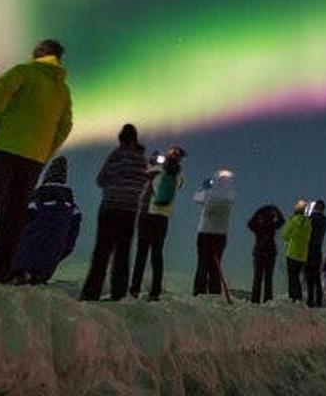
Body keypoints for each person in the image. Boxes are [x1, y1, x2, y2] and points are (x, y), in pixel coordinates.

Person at [0, 39, 73, 284]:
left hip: (4, 149)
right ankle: (0, 273)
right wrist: (45, 152)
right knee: (14, 217)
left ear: (40, 53)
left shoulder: (24, 71)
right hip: (33, 160)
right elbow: (65, 126)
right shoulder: (63, 91)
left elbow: (0, 89)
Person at [80, 124, 148, 301]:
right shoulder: (142, 161)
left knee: (102, 252)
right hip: (130, 211)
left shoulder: (116, 155)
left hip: (110, 208)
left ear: (121, 139)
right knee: (123, 253)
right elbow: (144, 184)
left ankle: (91, 293)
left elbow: (100, 180)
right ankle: (119, 293)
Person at [8, 156, 81, 284]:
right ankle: (36, 276)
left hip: (22, 260)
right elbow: (70, 242)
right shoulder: (73, 209)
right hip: (47, 265)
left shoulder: (33, 203)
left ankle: (19, 274)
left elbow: (15, 229)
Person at [130, 145, 185, 300]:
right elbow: (179, 184)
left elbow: (142, 174)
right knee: (157, 254)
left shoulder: (157, 170)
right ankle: (155, 292)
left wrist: (152, 162)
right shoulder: (180, 175)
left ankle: (134, 289)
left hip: (148, 215)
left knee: (141, 253)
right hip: (163, 218)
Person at [192, 169, 236, 296]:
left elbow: (196, 197)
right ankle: (214, 292)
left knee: (202, 263)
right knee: (215, 265)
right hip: (221, 234)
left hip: (205, 232)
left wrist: (205, 187)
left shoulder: (209, 194)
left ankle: (199, 292)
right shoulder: (231, 196)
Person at [247, 203, 286, 304]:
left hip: (259, 253)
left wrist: (258, 211)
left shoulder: (258, 226)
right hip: (270, 253)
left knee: (257, 278)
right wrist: (276, 210)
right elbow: (282, 221)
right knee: (268, 279)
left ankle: (255, 301)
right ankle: (267, 300)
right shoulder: (272, 226)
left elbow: (249, 224)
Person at [280, 200, 312, 302]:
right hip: (303, 254)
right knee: (297, 276)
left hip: (292, 252)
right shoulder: (308, 223)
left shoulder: (293, 221)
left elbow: (284, 235)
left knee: (292, 276)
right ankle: (298, 297)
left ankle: (293, 297)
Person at [304, 200, 326, 307]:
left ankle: (310, 301)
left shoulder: (310, 219)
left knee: (309, 277)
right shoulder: (325, 220)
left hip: (309, 251)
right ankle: (318, 301)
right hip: (318, 251)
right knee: (317, 278)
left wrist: (308, 210)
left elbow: (306, 222)